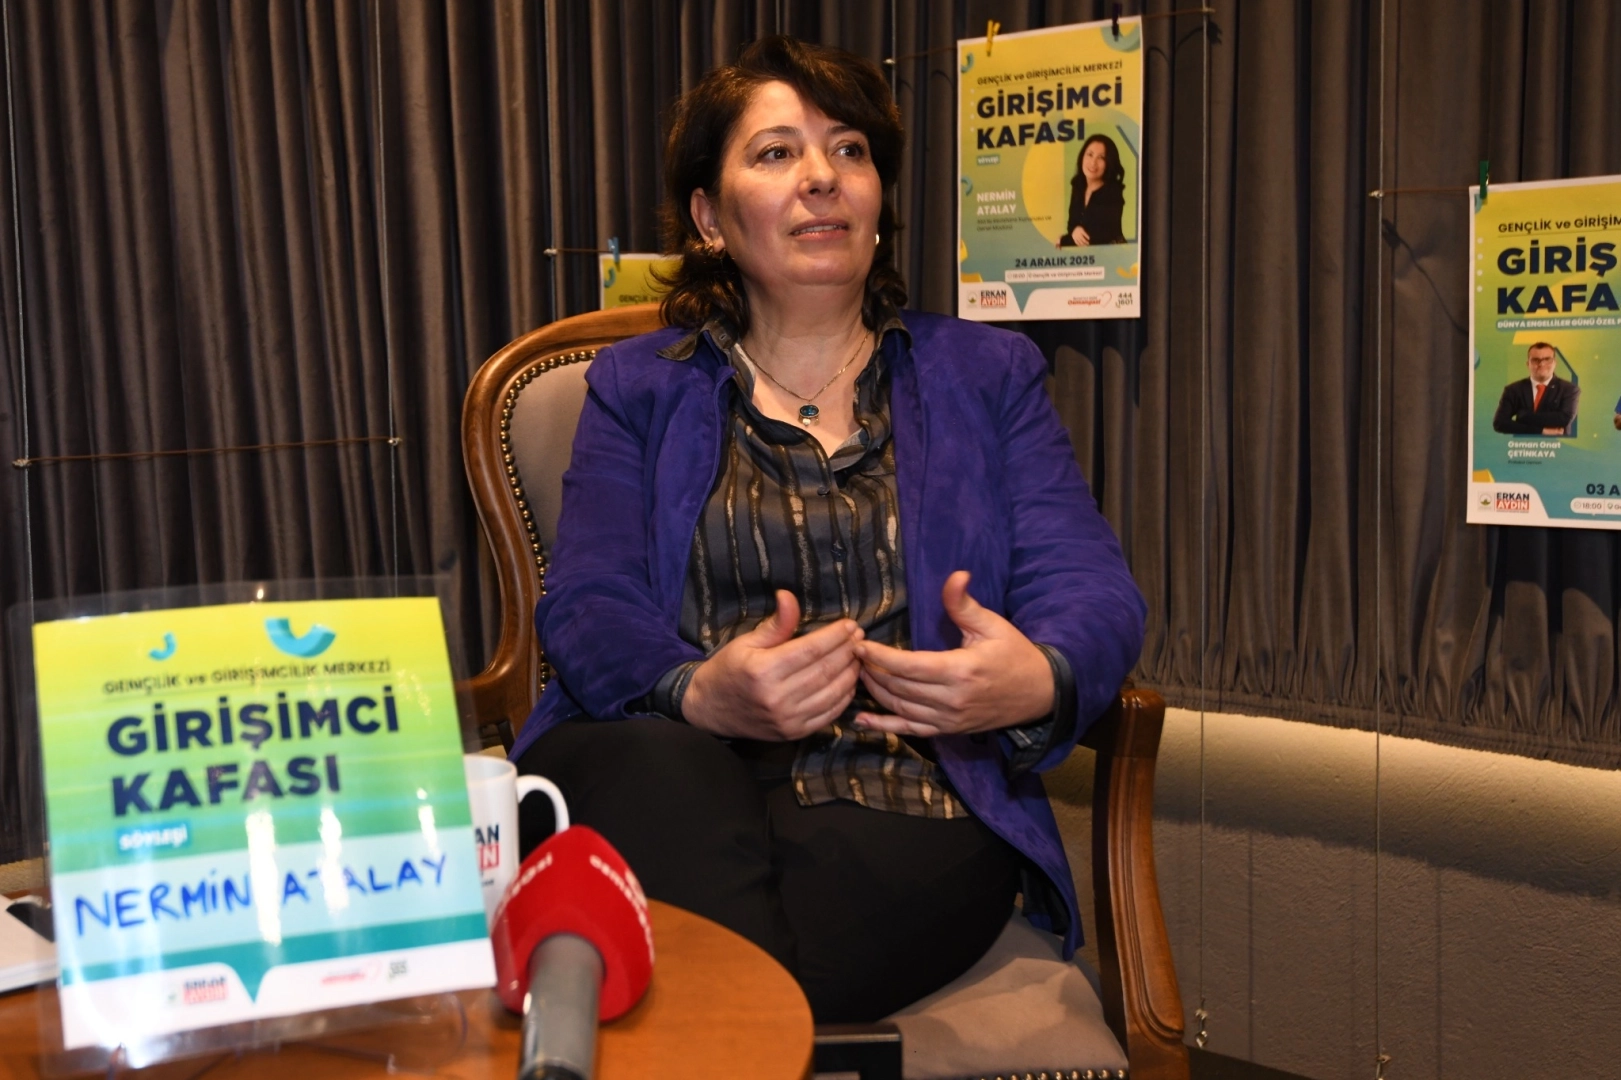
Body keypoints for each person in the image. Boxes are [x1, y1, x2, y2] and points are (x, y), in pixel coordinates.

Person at [511, 36, 1144, 1024]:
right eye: (776, 153)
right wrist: (698, 691)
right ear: (709, 219)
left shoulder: (987, 376)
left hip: (903, 788)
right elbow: (588, 601)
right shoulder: (638, 388)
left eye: (849, 150)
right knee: (660, 771)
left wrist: (1037, 678)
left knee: (709, 978)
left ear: (877, 199)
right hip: (670, 766)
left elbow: (1089, 585)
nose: (821, 176)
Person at [1493, 341, 1579, 435]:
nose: (1541, 364)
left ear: (1555, 363)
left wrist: (1523, 416)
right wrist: (1541, 431)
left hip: (1557, 443)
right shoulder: (1513, 390)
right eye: (1535, 360)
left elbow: (1564, 419)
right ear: (1528, 364)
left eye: (1547, 359)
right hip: (1523, 444)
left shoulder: (1569, 389)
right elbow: (1500, 423)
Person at [1056, 133, 1126, 247]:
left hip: (1111, 254)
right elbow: (1072, 225)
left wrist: (1063, 240)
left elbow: (1096, 238)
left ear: (1109, 163)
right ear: (1082, 156)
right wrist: (1075, 230)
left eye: (1101, 157)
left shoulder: (1113, 193)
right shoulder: (1078, 186)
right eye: (1090, 154)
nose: (1093, 163)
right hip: (1088, 254)